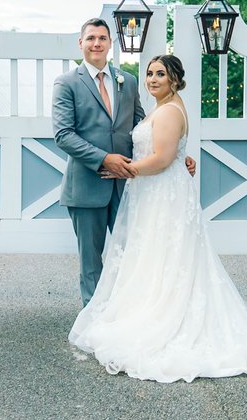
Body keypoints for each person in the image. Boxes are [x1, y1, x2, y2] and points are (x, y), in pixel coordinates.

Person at [69, 54, 247, 382]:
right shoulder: (161, 108)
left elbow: (163, 158)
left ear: (175, 80)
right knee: (160, 256)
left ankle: (165, 318)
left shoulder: (168, 110)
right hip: (157, 192)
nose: (152, 79)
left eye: (160, 74)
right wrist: (181, 157)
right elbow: (168, 151)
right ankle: (152, 306)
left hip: (162, 191)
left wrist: (125, 170)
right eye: (149, 73)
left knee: (166, 255)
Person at [52, 18, 195, 307]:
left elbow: (144, 126)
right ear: (81, 43)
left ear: (110, 44)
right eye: (91, 38)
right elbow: (63, 134)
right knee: (91, 263)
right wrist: (104, 159)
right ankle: (94, 318)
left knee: (134, 255)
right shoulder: (66, 83)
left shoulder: (127, 81)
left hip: (129, 188)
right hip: (87, 185)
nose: (96, 43)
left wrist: (177, 154)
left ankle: (128, 314)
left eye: (102, 38)